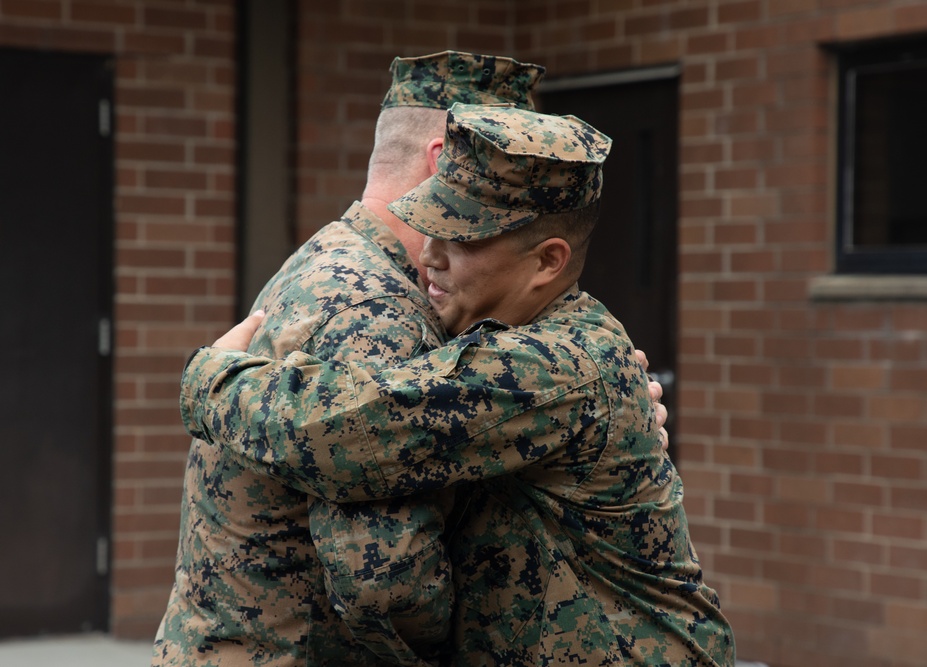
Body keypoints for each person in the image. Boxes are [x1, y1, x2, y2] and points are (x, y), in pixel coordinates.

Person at [179, 104, 735, 666]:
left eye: (462, 240)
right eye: (430, 226)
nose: (428, 256)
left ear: (547, 262)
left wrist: (213, 376)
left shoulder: (549, 364)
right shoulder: (522, 339)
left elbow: (348, 432)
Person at [152, 52, 547, 667]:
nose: (528, 209)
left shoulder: (338, 261)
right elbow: (386, 578)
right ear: (445, 164)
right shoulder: (375, 308)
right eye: (513, 179)